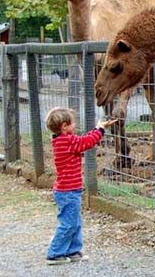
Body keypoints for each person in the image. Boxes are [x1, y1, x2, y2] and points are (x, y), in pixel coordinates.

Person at [44, 107, 117, 265]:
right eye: (73, 123)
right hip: (67, 192)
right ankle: (55, 253)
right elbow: (86, 142)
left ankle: (72, 250)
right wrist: (100, 130)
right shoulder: (66, 141)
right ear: (64, 126)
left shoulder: (64, 139)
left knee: (75, 222)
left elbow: (82, 140)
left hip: (70, 190)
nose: (75, 125)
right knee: (68, 223)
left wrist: (97, 129)